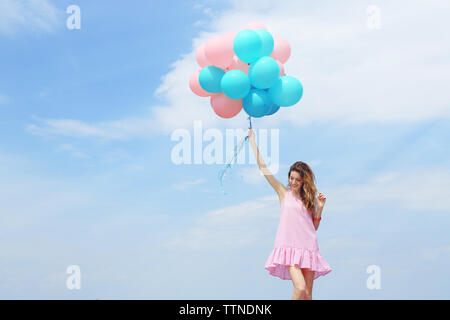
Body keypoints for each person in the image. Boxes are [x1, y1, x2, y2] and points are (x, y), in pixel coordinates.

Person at [248, 128, 332, 300]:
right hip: (289, 248)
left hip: (309, 248)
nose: (292, 182)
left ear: (303, 181)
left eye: (297, 179)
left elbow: (313, 228)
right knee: (300, 289)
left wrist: (320, 208)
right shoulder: (282, 192)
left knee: (308, 295)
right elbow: (263, 168)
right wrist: (252, 141)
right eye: (291, 178)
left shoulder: (309, 199)